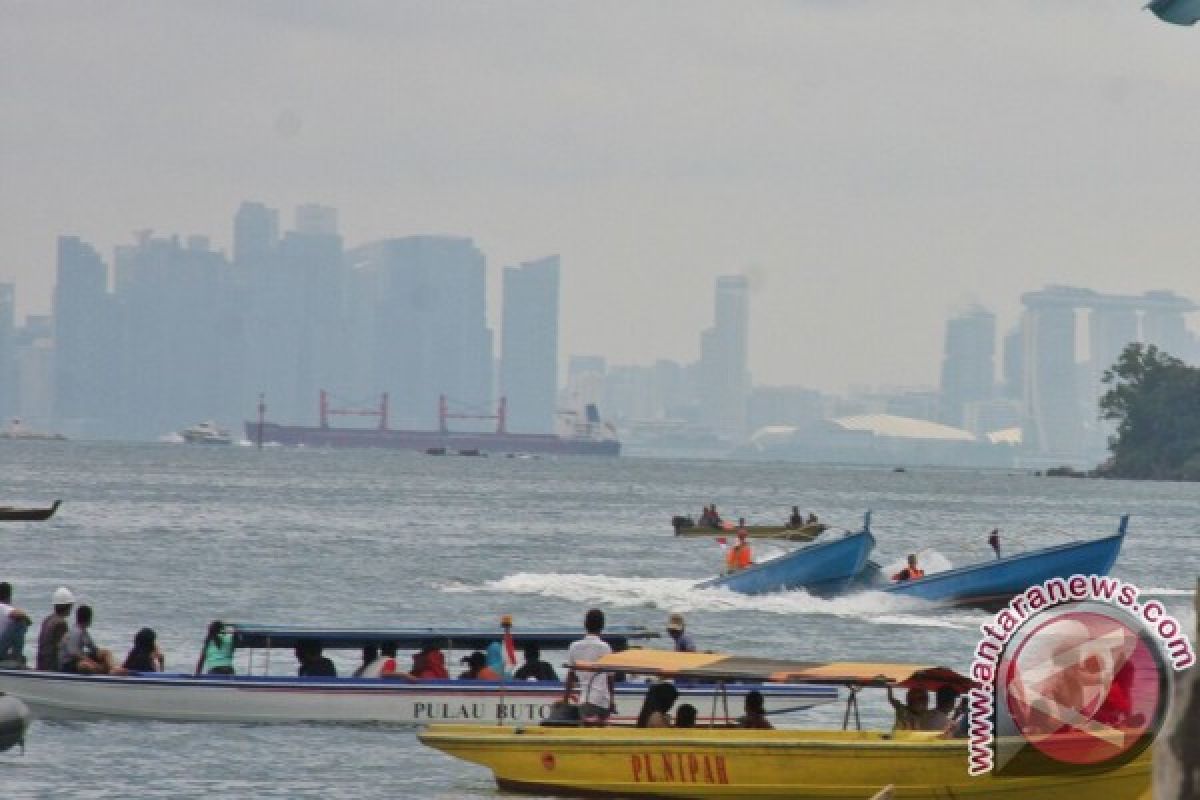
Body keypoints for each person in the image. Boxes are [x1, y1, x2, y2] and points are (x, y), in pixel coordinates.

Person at [562, 608, 616, 724]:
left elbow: (570, 676)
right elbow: (610, 678)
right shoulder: (605, 647)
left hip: (586, 699)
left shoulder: (574, 647)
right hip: (603, 701)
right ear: (602, 626)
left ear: (585, 624)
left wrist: (565, 700)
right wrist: (612, 700)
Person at [61, 605, 126, 675]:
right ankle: (103, 672)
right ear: (89, 619)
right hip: (69, 663)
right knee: (84, 665)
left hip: (79, 659)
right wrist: (94, 663)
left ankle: (113, 669)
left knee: (105, 652)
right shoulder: (75, 632)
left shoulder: (84, 632)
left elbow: (93, 649)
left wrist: (102, 655)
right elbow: (75, 654)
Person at [36, 586, 74, 671]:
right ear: (68, 606)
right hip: (52, 666)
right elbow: (63, 649)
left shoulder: (47, 620)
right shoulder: (61, 623)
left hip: (41, 664)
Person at [0, 582, 32, 668]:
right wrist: (28, 620)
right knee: (21, 622)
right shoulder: (3, 606)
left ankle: (14, 656)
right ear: (9, 596)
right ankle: (16, 656)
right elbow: (19, 614)